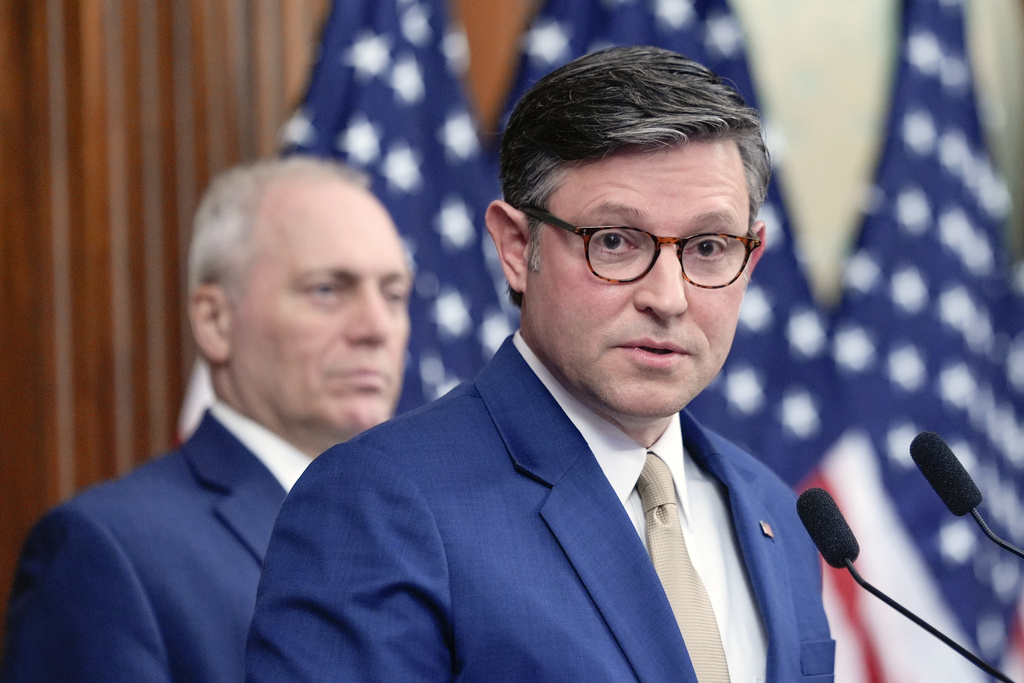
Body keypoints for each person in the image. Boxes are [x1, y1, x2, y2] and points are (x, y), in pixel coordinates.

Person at [246, 46, 835, 682]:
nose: (669, 298)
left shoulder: (777, 511)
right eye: (614, 241)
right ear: (516, 245)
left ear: (752, 256)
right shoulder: (379, 507)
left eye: (710, 247)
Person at [2, 156, 413, 683]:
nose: (378, 328)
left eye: (395, 295)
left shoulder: (427, 531)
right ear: (216, 322)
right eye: (327, 290)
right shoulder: (108, 553)